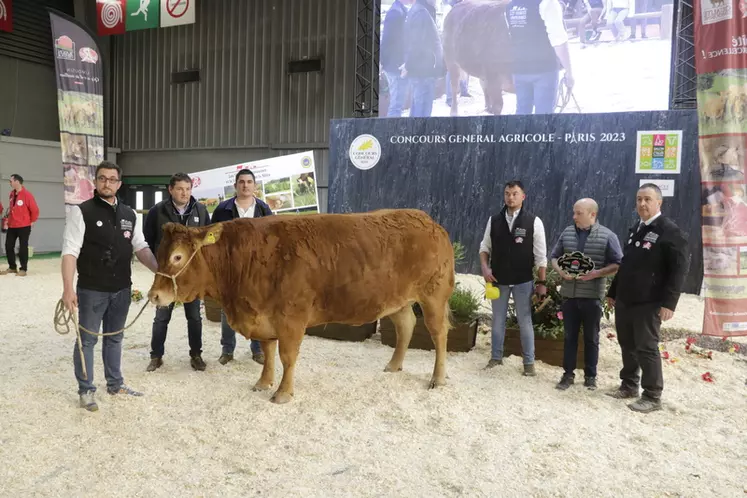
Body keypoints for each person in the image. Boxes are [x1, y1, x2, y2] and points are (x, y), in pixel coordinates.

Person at [60, 161, 159, 412]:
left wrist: (161, 272)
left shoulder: (130, 215)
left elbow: (141, 248)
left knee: (115, 339)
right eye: (102, 179)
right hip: (92, 289)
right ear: (96, 182)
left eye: (112, 179)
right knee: (87, 341)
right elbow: (70, 253)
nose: (107, 183)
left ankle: (115, 384)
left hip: (122, 289)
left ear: (119, 184)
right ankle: (86, 390)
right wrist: (68, 289)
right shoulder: (81, 212)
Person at [606, 184, 690, 413]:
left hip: (649, 301)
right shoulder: (636, 228)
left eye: (647, 199)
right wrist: (613, 293)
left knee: (646, 347)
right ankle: (629, 385)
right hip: (626, 299)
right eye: (639, 199)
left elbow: (679, 270)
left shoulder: (670, 231)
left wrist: (669, 303)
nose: (642, 204)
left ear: (658, 202)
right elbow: (626, 265)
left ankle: (652, 396)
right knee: (627, 344)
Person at [550, 198, 623, 391]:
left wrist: (596, 273)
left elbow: (618, 264)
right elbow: (554, 257)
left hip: (592, 297)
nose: (574, 216)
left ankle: (591, 376)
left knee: (592, 337)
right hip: (569, 295)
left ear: (592, 214)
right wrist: (560, 272)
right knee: (569, 336)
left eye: (578, 213)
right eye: (573, 212)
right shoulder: (567, 232)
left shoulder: (608, 236)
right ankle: (567, 374)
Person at [143, 172, 211, 372]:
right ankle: (156, 356)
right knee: (162, 317)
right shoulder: (157, 211)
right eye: (180, 189)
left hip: (190, 276)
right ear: (170, 190)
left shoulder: (200, 210)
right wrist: (159, 268)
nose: (184, 193)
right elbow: (148, 239)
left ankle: (196, 355)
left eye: (188, 189)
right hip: (167, 275)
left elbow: (206, 242)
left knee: (195, 317)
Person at [479, 180, 548, 376]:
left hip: (523, 279)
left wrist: (541, 283)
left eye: (515, 193)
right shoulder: (493, 220)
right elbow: (484, 248)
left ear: (523, 196)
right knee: (497, 320)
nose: (511, 197)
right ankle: (495, 358)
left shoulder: (534, 221)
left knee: (525, 321)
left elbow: (541, 257)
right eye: (507, 193)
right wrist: (485, 268)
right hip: (498, 279)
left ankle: (529, 363)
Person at [211, 168, 274, 365]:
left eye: (249, 182)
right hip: (230, 269)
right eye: (241, 182)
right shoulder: (222, 209)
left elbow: (272, 239)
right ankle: (227, 350)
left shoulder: (264, 209)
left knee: (256, 308)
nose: (245, 185)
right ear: (235, 185)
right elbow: (214, 239)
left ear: (255, 186)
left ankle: (257, 349)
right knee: (228, 309)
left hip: (257, 270)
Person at [506, 0, 574, 114]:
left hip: (519, 69)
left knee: (522, 113)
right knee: (544, 117)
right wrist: (569, 73)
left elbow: (511, 38)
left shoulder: (510, 6)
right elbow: (559, 42)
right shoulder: (548, 3)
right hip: (544, 70)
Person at [401, 0, 444, 117]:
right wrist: (407, 65)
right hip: (423, 71)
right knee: (422, 111)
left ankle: (414, 133)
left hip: (420, 69)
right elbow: (416, 43)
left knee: (418, 106)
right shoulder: (421, 13)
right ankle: (419, 133)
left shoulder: (418, 10)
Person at [380, 0, 414, 117]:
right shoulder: (396, 13)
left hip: (395, 64)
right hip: (396, 66)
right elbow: (388, 40)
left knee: (397, 103)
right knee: (396, 104)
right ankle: (391, 132)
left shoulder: (400, 10)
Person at [1, 174, 40, 277]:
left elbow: (35, 210)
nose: (10, 183)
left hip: (24, 226)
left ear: (17, 182)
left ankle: (23, 269)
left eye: (11, 181)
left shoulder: (27, 195)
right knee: (8, 246)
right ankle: (12, 267)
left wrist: (32, 221)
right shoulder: (11, 194)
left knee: (23, 247)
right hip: (12, 225)